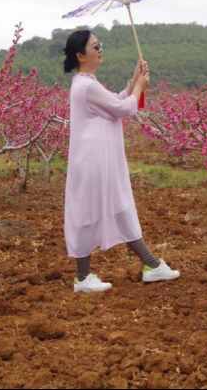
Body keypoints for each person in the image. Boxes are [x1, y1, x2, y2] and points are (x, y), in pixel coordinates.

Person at [62, 29, 180, 293]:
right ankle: (146, 266)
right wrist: (139, 87)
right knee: (106, 209)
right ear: (81, 55)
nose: (100, 49)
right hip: (96, 160)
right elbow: (123, 109)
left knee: (108, 208)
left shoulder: (86, 82)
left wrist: (135, 80)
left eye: (100, 45)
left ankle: (147, 265)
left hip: (97, 159)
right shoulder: (87, 85)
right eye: (95, 47)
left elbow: (114, 101)